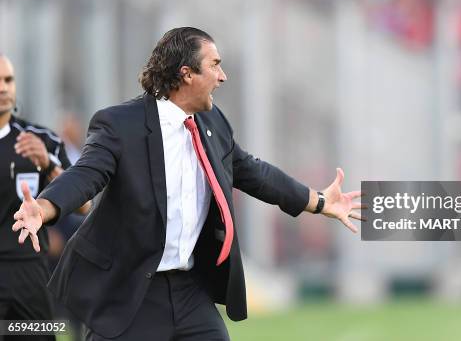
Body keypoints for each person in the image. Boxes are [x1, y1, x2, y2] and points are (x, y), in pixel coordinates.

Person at [13, 27, 364, 340]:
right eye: (214, 65)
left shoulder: (213, 123)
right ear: (186, 74)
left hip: (188, 290)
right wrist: (44, 207)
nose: (223, 76)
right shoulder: (120, 124)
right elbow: (86, 175)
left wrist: (318, 201)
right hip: (131, 290)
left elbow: (253, 172)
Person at [0, 54, 89, 340]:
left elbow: (84, 204)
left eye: (8, 80)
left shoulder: (41, 140)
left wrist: (48, 164)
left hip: (30, 274)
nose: (3, 88)